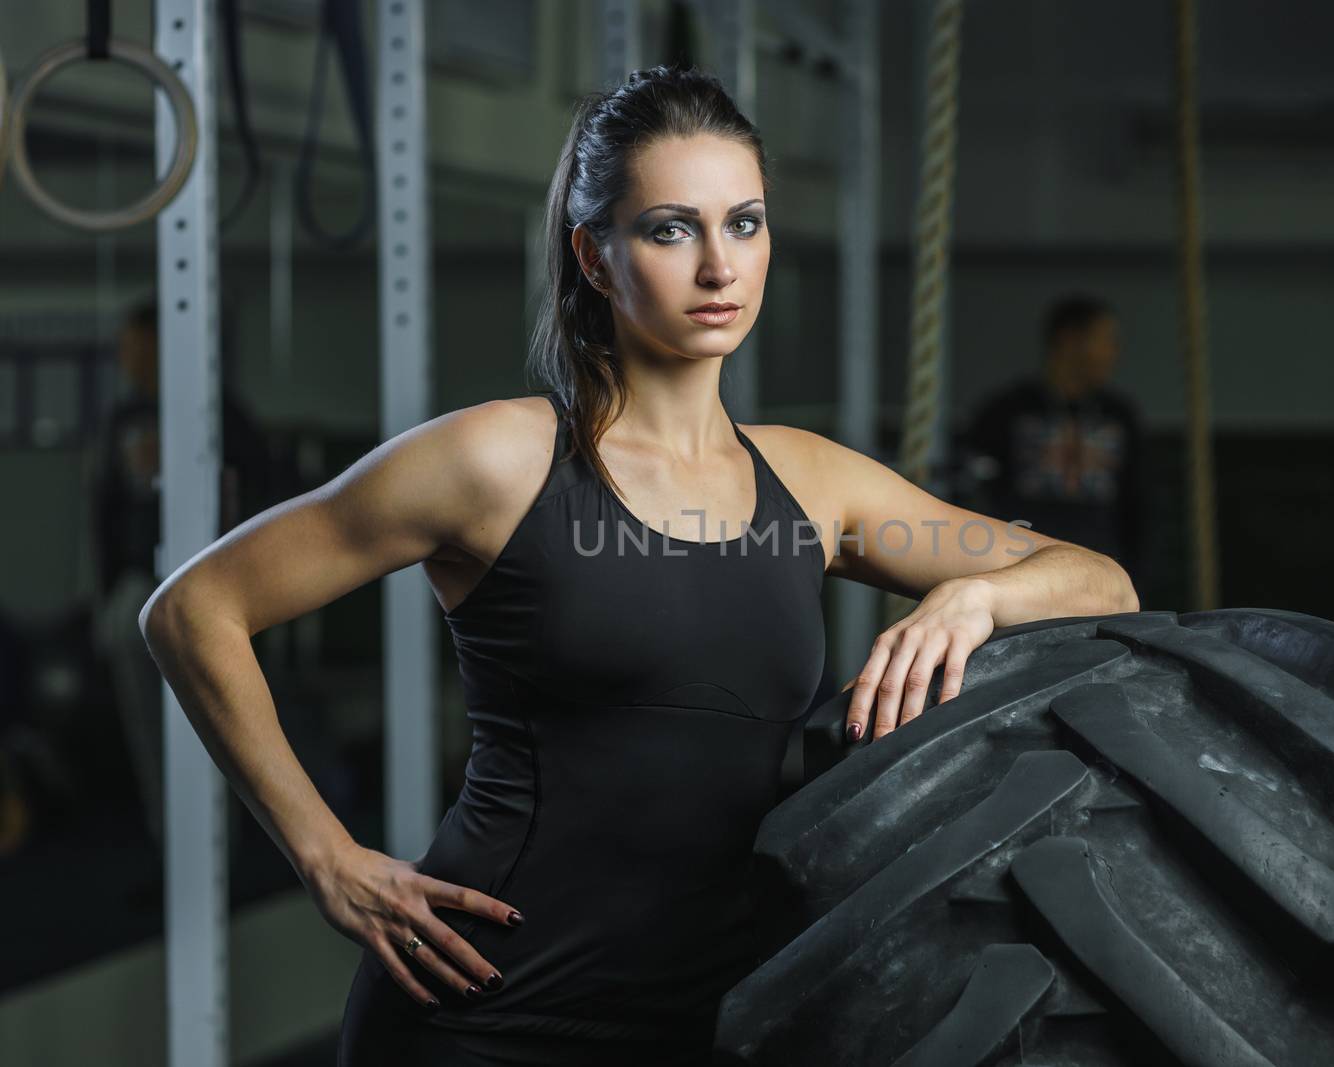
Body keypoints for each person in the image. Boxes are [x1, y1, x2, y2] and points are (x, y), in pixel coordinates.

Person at [139, 66, 1138, 1066]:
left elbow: (1098, 580)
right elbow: (193, 609)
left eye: (743, 223)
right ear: (596, 256)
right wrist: (325, 854)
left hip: (717, 1016)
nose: (719, 267)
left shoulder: (814, 483)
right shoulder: (494, 461)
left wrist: (971, 593)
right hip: (486, 1010)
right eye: (671, 229)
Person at [88, 298, 275, 844]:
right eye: (125, 349)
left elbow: (261, 499)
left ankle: (228, 844)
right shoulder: (123, 420)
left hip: (213, 591)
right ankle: (171, 845)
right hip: (139, 594)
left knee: (220, 726)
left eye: (137, 347)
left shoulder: (220, 413)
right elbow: (104, 511)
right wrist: (106, 594)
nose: (129, 359)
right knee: (152, 732)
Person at [958, 294, 1145, 588]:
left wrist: (1135, 575)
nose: (1114, 351)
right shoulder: (1006, 411)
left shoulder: (1119, 415)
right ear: (1070, 339)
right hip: (1019, 568)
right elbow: (977, 495)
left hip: (1101, 573)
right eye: (1105, 339)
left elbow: (1138, 502)